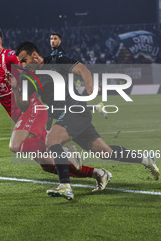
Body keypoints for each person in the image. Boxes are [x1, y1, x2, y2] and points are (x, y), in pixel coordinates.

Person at [0, 24, 111, 200]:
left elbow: (33, 71)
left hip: (31, 110)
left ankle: (65, 151)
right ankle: (98, 173)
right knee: (47, 164)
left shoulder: (12, 57)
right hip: (19, 115)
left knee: (14, 145)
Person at [12, 41, 159, 199]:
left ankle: (65, 186)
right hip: (66, 116)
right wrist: (15, 88)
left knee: (52, 140)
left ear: (34, 55)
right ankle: (145, 159)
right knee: (104, 152)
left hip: (75, 109)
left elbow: (83, 70)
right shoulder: (28, 77)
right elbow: (25, 106)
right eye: (20, 62)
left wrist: (89, 88)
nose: (22, 64)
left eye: (24, 60)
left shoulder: (56, 61)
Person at [50, 32, 107, 119]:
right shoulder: (54, 54)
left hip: (64, 87)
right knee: (72, 107)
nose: (52, 41)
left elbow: (78, 69)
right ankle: (97, 107)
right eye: (51, 39)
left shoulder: (59, 55)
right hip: (61, 86)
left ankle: (48, 130)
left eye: (55, 39)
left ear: (60, 41)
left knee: (54, 108)